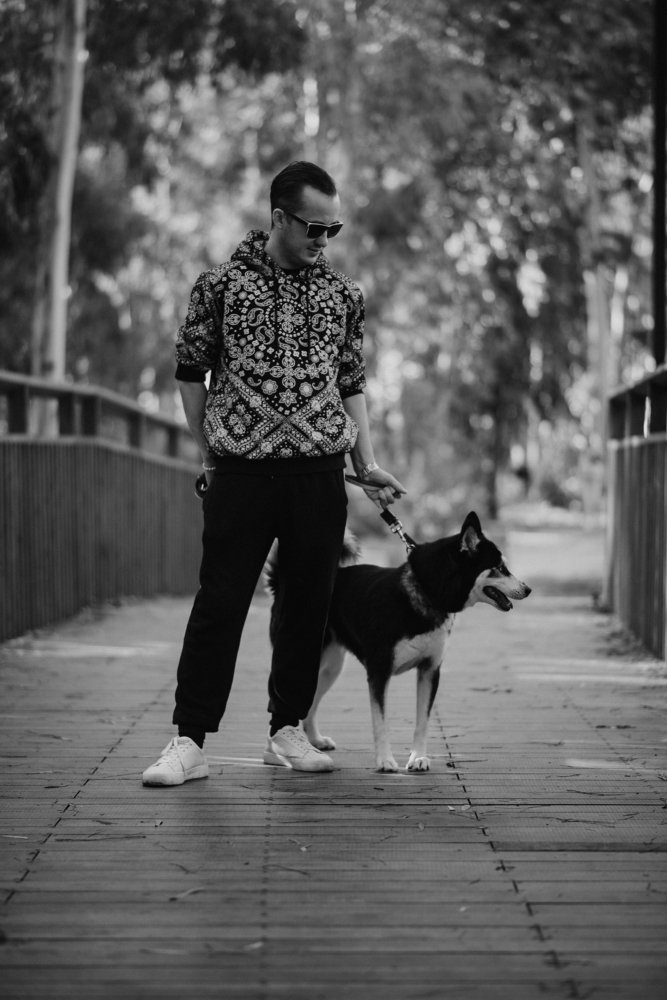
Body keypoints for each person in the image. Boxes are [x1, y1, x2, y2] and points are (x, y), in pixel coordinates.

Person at [142, 161, 405, 786]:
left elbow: (351, 384)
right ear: (279, 218)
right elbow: (190, 373)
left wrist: (366, 465)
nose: (324, 239)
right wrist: (209, 452)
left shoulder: (344, 295)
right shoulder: (220, 286)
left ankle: (286, 730)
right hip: (241, 473)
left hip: (319, 473)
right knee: (220, 603)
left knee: (308, 606)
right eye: (314, 227)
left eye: (333, 228)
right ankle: (189, 741)